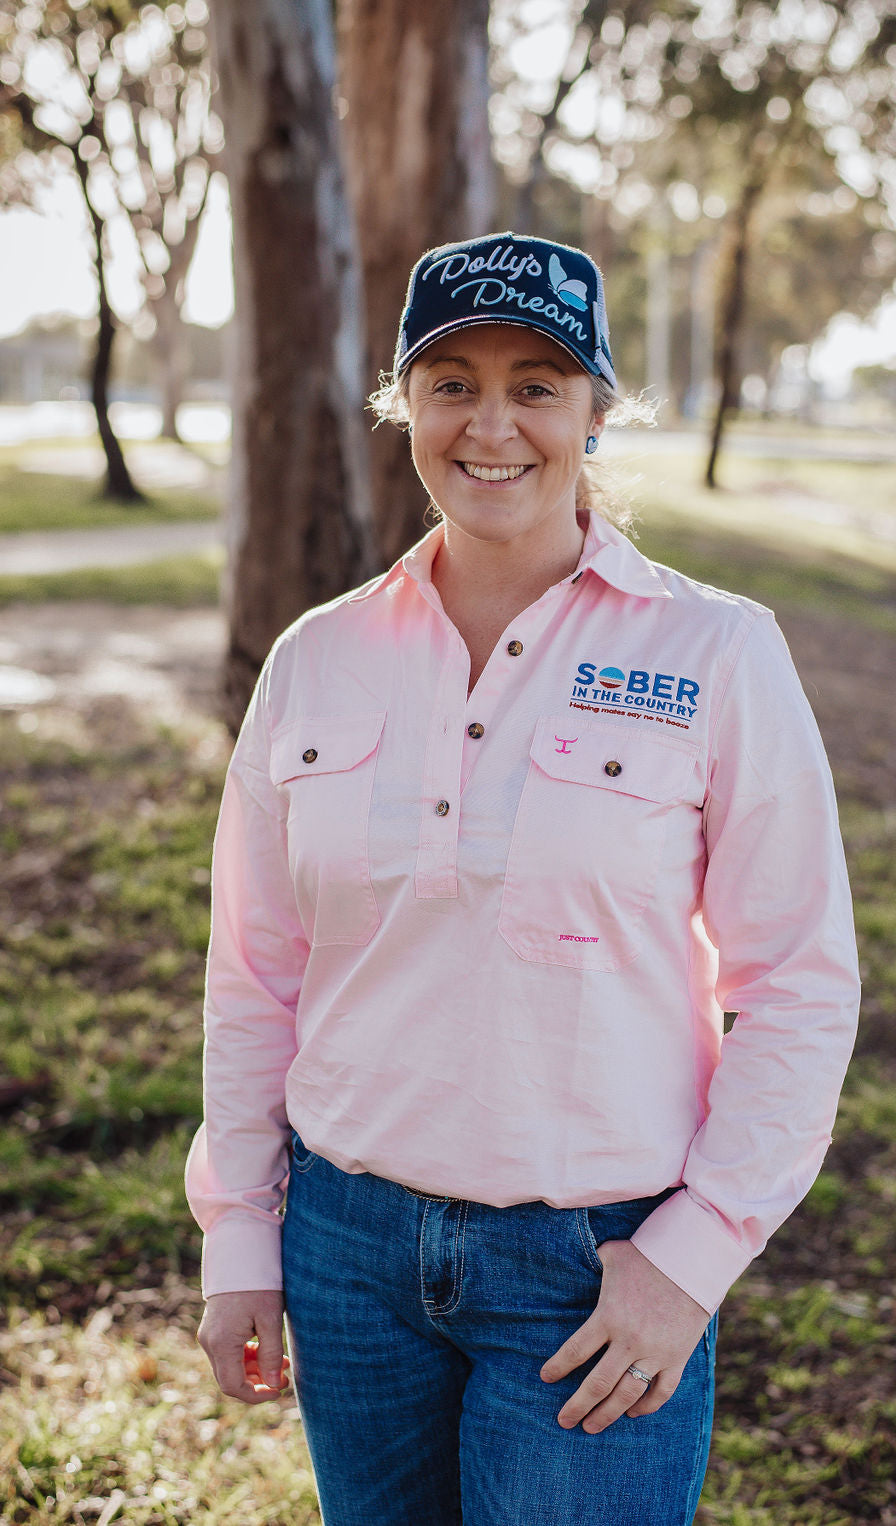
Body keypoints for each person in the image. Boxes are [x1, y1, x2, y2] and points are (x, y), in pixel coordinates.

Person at [186, 231, 860, 1525]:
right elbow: (254, 974)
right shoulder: (315, 660)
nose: (491, 423)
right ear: (405, 405)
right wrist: (243, 1235)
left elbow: (801, 985)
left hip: (593, 1263)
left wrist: (691, 1257)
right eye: (452, 382)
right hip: (347, 1245)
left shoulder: (719, 654)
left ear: (596, 411)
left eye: (537, 383)